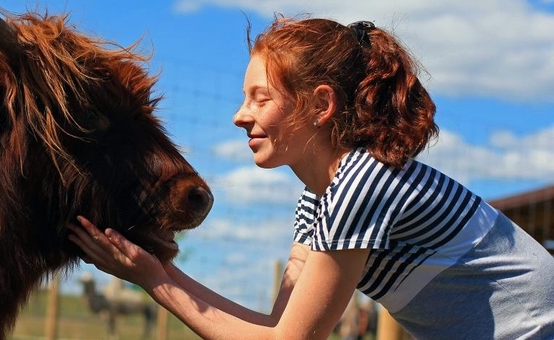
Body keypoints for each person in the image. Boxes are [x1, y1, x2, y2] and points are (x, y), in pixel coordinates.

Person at [69, 16, 554, 340]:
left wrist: (153, 280)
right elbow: (277, 326)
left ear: (320, 105)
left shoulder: (361, 184)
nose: (240, 115)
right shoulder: (318, 200)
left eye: (260, 98)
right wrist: (158, 270)